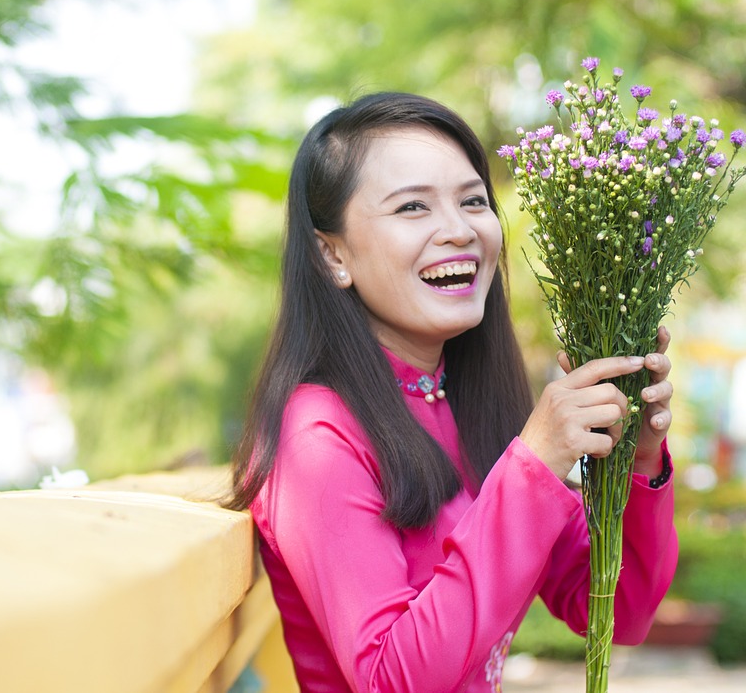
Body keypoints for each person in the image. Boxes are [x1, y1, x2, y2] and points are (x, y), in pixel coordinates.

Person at [228, 92, 678, 692]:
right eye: (413, 207)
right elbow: (392, 679)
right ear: (331, 253)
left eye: (473, 201)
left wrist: (639, 461)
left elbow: (619, 609)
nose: (459, 230)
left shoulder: (472, 407)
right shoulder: (314, 435)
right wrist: (534, 464)